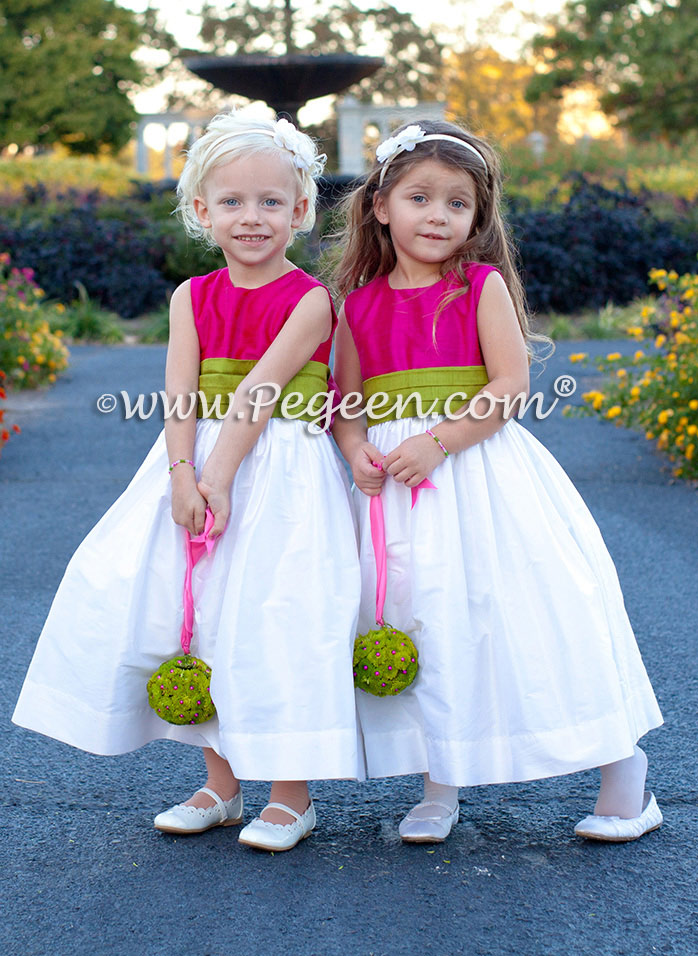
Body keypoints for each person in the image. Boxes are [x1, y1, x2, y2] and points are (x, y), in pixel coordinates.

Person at [12, 112, 361, 852]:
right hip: (194, 462)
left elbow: (257, 395)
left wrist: (218, 478)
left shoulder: (310, 300)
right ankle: (221, 783)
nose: (252, 217)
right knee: (198, 614)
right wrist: (181, 475)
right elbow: (182, 396)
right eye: (231, 201)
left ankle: (291, 796)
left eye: (272, 202)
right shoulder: (190, 297)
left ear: (301, 210)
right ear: (201, 211)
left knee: (275, 614)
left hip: (278, 473)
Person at [331, 119, 663, 844]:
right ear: (381, 206)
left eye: (458, 204)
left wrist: (439, 440)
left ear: (478, 218)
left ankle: (625, 778)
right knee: (425, 622)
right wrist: (357, 449)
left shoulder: (477, 287)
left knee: (538, 616)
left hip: (477, 472)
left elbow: (510, 385)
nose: (438, 216)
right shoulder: (355, 305)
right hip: (399, 490)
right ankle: (439, 786)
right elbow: (346, 406)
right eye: (420, 198)